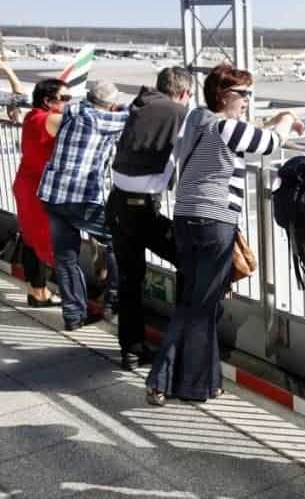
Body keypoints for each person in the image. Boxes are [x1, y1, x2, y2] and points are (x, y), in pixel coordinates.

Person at [145, 63, 304, 406]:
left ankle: (191, 379)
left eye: (249, 93)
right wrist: (287, 119)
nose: (247, 99)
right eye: (241, 93)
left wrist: (272, 125)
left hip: (186, 218)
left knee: (191, 300)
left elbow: (249, 135)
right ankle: (177, 381)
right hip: (213, 222)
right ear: (222, 94)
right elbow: (272, 143)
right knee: (201, 307)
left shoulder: (198, 120)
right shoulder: (227, 128)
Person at [106, 67, 192, 371]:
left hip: (117, 205)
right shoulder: (178, 113)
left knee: (130, 280)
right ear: (183, 93)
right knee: (191, 260)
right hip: (142, 209)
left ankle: (131, 350)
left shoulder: (140, 106)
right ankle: (179, 345)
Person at [38, 81, 129, 331]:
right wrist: (119, 106)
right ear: (109, 104)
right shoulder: (103, 120)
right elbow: (133, 115)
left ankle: (74, 316)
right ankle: (113, 300)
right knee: (120, 240)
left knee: (66, 258)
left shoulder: (73, 110)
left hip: (51, 195)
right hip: (79, 199)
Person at [6, 65, 65, 307]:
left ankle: (35, 290)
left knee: (31, 239)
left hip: (24, 183)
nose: (68, 103)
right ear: (49, 101)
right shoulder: (51, 119)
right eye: (65, 98)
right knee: (45, 241)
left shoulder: (33, 115)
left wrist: (8, 70)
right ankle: (40, 292)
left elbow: (19, 95)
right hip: (38, 187)